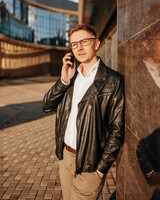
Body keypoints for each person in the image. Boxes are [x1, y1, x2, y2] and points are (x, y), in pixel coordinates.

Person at [42, 24, 124, 200]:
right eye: (74, 44)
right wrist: (63, 80)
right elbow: (47, 106)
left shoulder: (112, 81)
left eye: (84, 42)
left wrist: (101, 169)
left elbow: (117, 129)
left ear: (96, 44)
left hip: (91, 163)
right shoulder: (71, 77)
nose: (79, 47)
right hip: (65, 157)